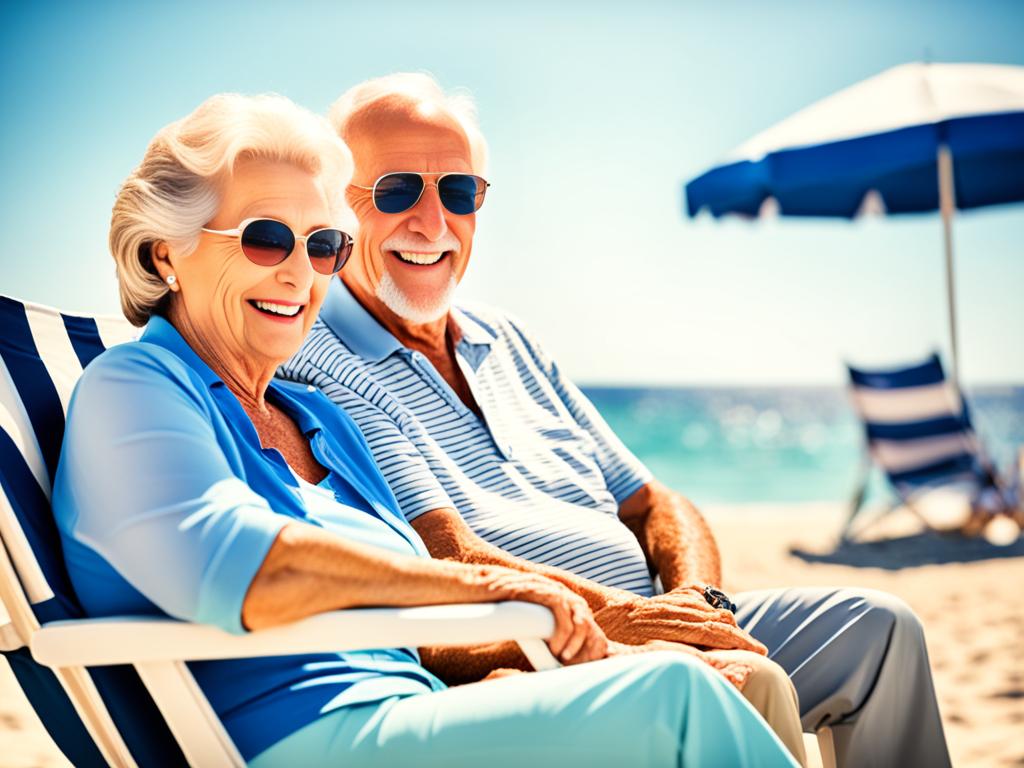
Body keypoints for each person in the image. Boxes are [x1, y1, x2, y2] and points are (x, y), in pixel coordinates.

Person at [52, 92, 798, 767]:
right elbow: (245, 569)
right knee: (676, 698)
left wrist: (531, 663)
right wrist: (493, 587)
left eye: (324, 247)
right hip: (305, 736)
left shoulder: (320, 421)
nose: (301, 274)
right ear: (164, 253)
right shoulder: (133, 388)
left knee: (719, 680)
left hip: (415, 709)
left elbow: (425, 630)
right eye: (266, 238)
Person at [280, 72, 953, 768]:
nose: (432, 221)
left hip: (654, 617)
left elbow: (654, 500)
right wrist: (630, 619)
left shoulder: (509, 338)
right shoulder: (320, 359)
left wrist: (700, 601)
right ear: (337, 209)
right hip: (541, 642)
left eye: (458, 192)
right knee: (750, 680)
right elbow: (447, 556)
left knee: (881, 630)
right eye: (395, 191)